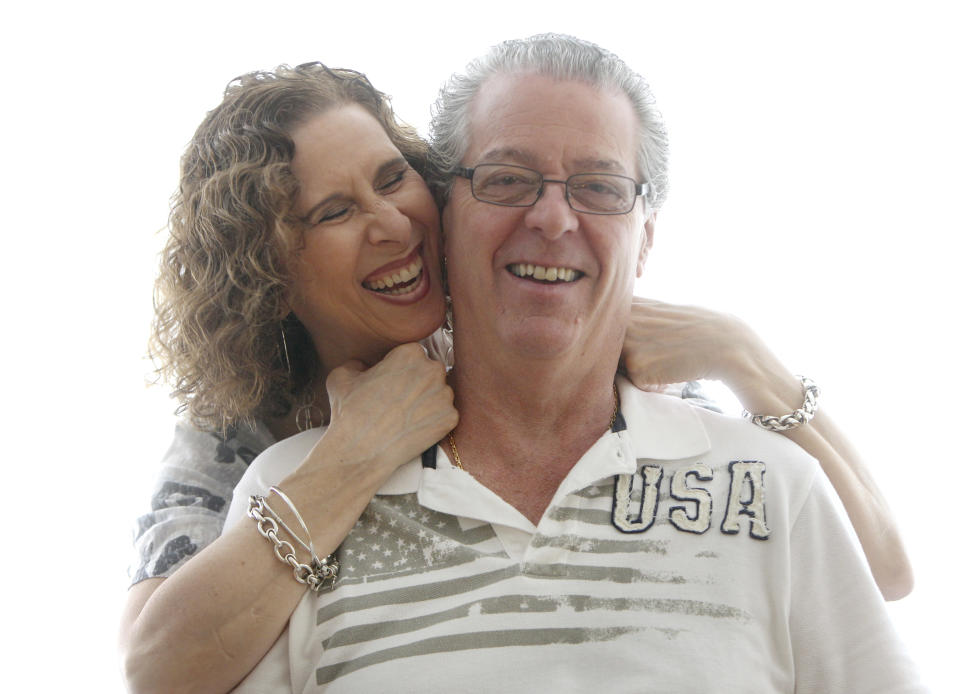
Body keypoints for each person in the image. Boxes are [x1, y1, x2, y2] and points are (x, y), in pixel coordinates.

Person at [119, 57, 914, 693]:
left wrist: (745, 359)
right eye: (333, 212)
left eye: (394, 179)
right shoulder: (243, 428)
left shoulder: (550, 351)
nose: (393, 224)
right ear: (269, 271)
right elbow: (160, 668)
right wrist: (352, 455)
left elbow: (863, 569)